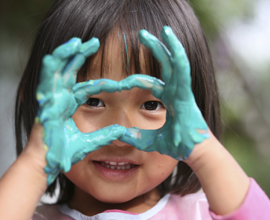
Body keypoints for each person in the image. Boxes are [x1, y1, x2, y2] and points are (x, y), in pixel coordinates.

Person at [0, 0, 269, 219]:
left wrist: (203, 150)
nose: (120, 132)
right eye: (92, 100)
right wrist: (36, 163)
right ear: (36, 104)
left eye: (152, 104)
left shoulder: (201, 213)